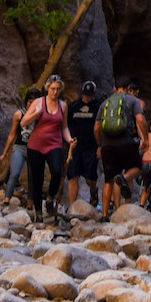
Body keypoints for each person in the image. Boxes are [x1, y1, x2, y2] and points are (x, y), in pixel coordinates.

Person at [96, 78, 146, 219]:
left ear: (114, 87)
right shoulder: (131, 100)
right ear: (128, 87)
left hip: (107, 145)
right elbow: (140, 120)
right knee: (136, 168)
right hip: (126, 142)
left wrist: (100, 144)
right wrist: (145, 139)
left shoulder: (105, 103)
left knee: (108, 180)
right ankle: (123, 178)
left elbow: (96, 127)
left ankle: (105, 214)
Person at [21, 76, 69, 221]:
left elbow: (64, 127)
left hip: (54, 144)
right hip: (35, 145)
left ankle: (50, 198)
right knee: (37, 179)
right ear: (47, 88)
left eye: (58, 89)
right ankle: (38, 212)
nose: (55, 92)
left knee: (56, 170)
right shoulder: (38, 102)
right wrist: (36, 113)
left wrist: (69, 139)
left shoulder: (63, 105)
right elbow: (23, 122)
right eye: (52, 89)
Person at [0, 89, 39, 206]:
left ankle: (30, 202)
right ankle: (6, 200)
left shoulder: (40, 115)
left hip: (35, 149)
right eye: (30, 102)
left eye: (35, 102)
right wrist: (4, 153)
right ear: (26, 102)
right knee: (14, 173)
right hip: (20, 147)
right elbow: (12, 134)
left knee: (32, 176)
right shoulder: (19, 114)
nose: (32, 105)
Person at [66, 80, 100, 210]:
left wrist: (100, 146)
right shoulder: (74, 106)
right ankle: (72, 206)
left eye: (90, 94)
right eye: (86, 94)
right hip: (76, 146)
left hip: (91, 147)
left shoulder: (98, 106)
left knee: (90, 178)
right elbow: (66, 125)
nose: (88, 97)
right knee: (73, 176)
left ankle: (93, 190)